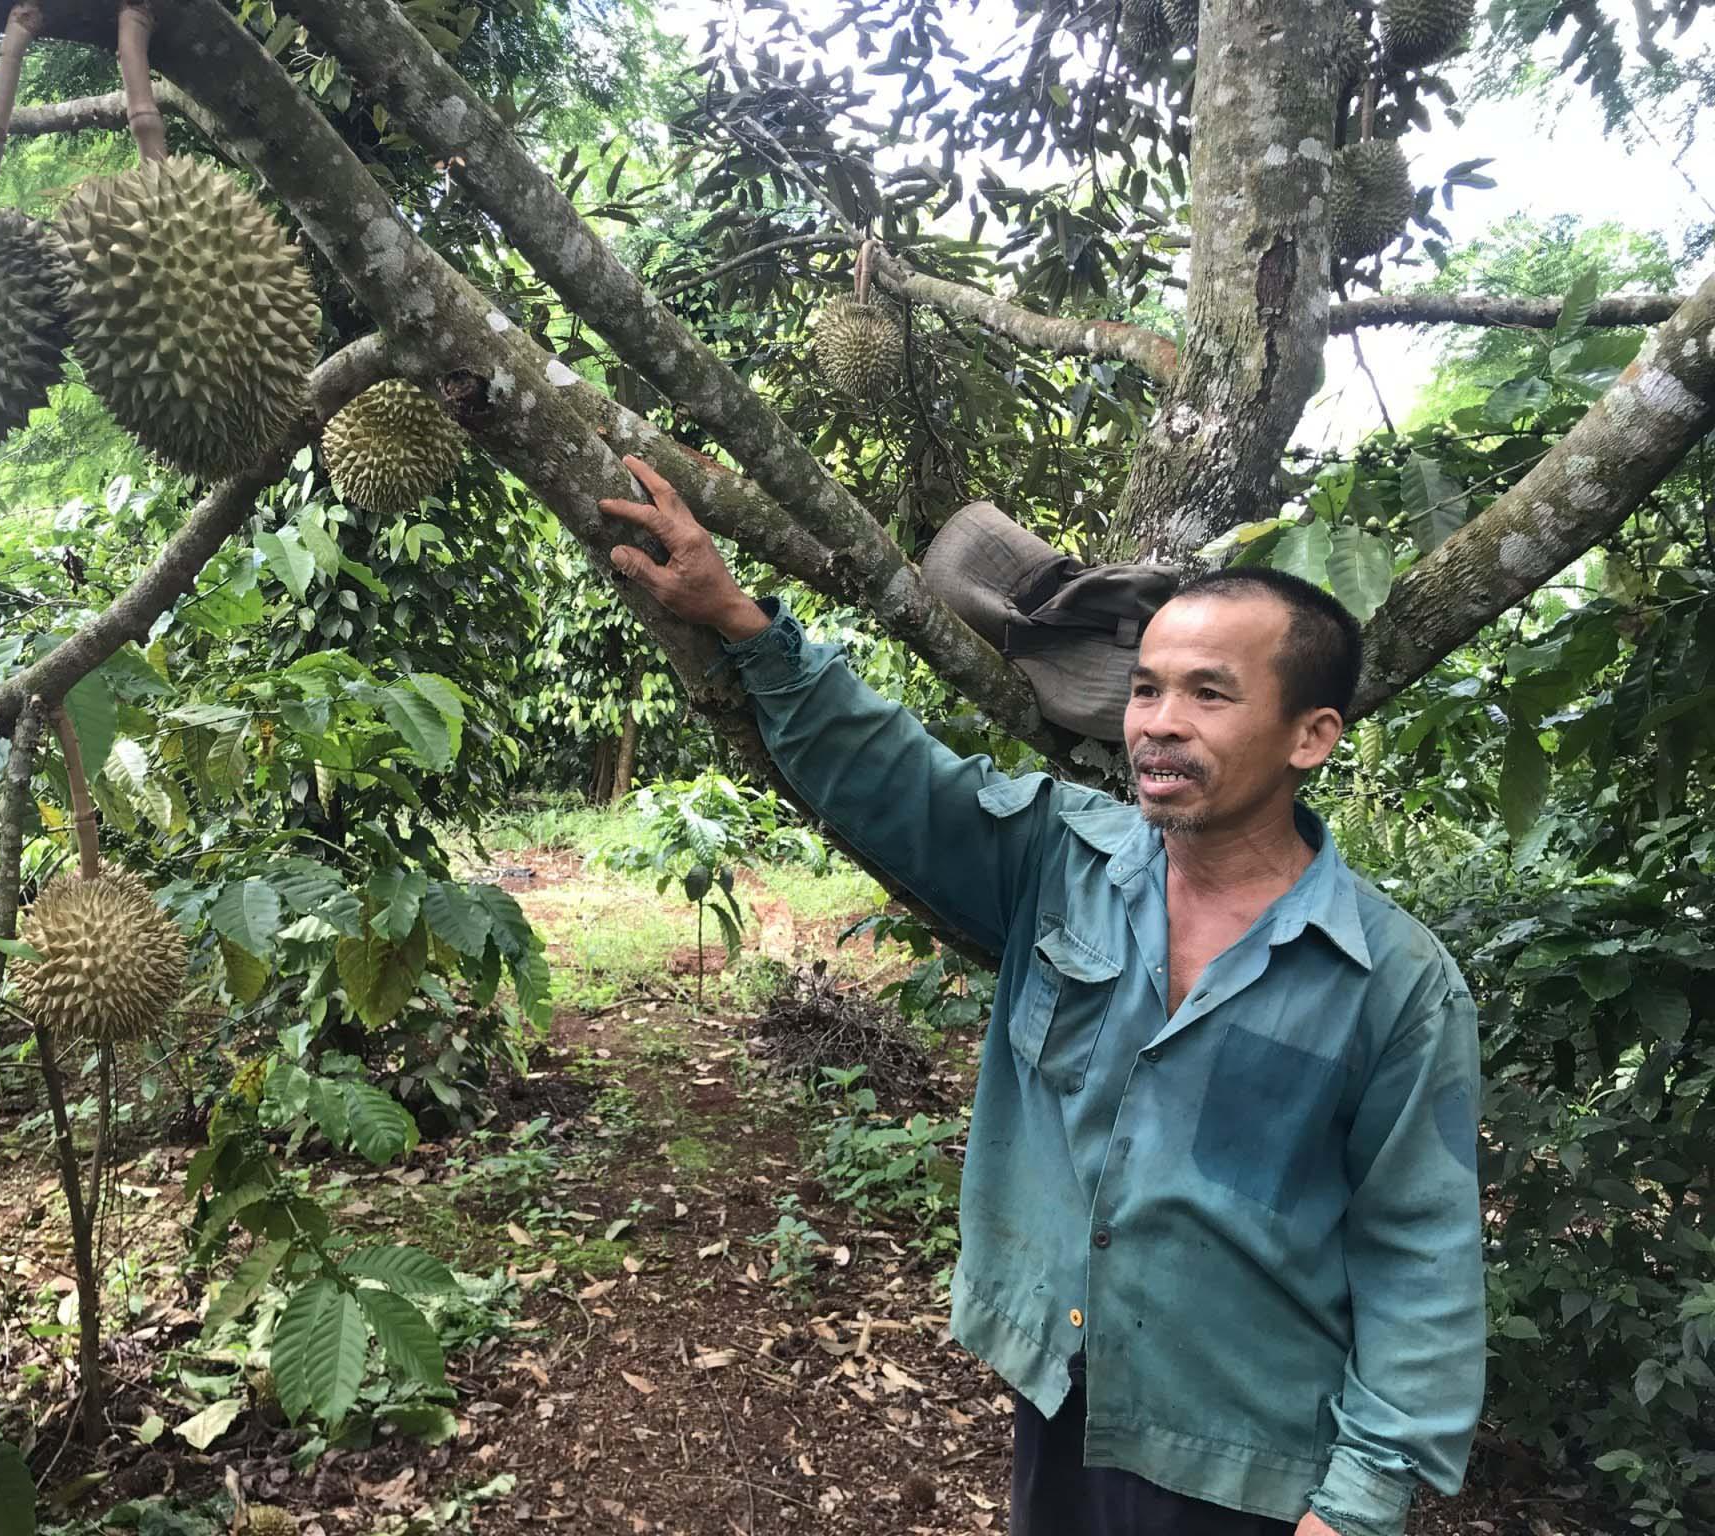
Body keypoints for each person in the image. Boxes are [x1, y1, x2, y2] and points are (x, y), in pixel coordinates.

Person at [600, 456, 1485, 1536]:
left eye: (1208, 693)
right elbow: (894, 776)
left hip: (1250, 1462)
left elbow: (1417, 1254)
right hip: (1064, 1391)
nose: (1157, 721)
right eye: (1147, 688)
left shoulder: (1391, 981)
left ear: (1310, 736)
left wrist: (1354, 1507)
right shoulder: (1062, 860)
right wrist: (739, 620)